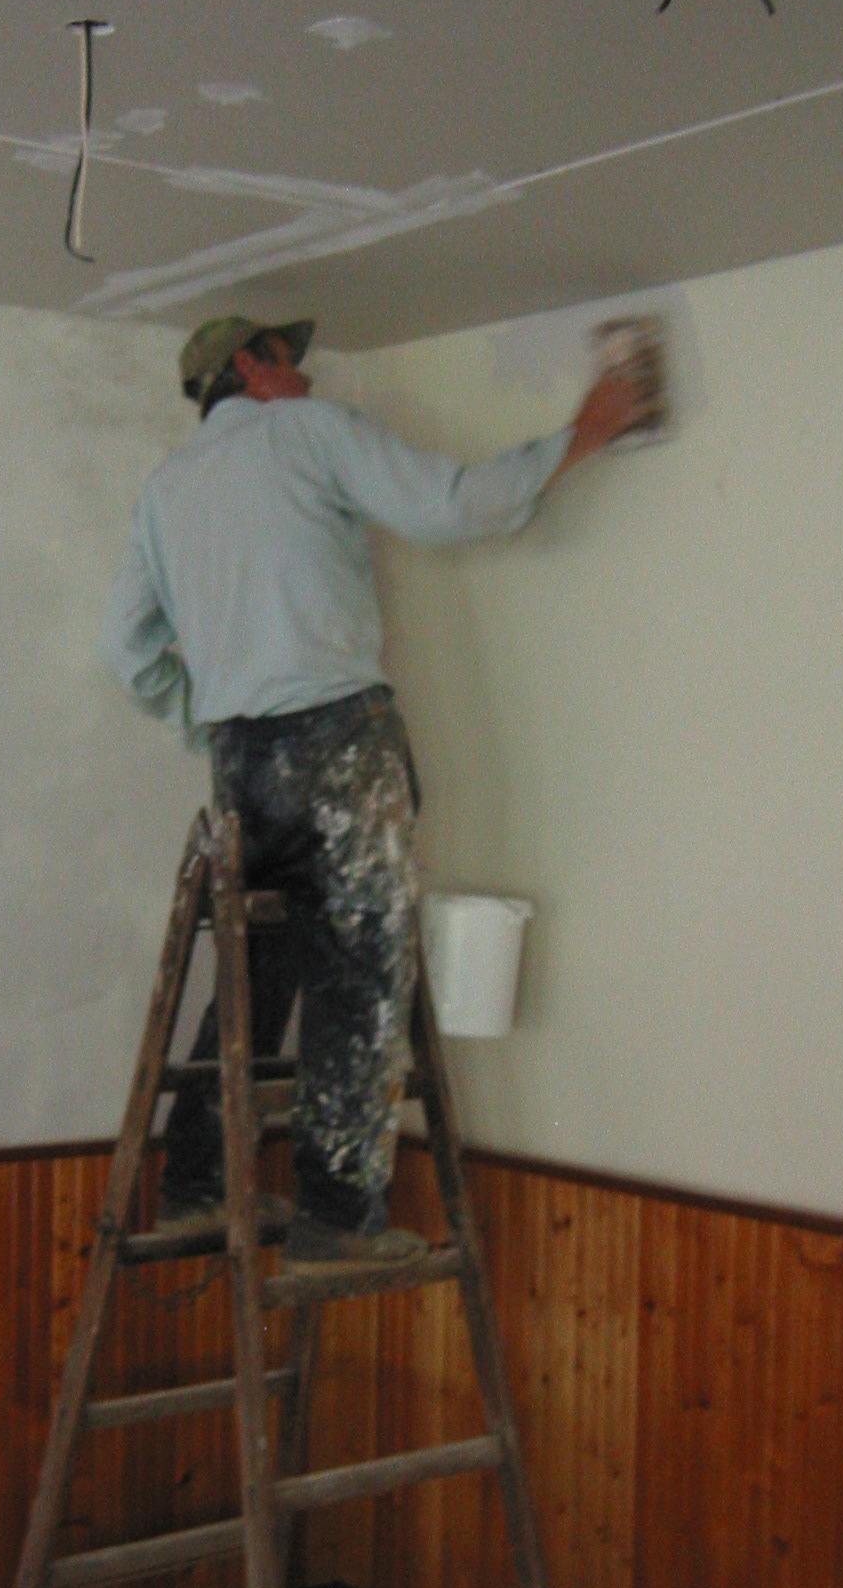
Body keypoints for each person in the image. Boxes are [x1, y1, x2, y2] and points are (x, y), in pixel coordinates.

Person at [100, 312, 659, 1270]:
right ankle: (335, 1218)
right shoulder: (306, 433)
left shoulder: (167, 489)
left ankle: (194, 1184)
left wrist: (212, 718)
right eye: (291, 361)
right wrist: (583, 434)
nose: (308, 377)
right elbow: (451, 505)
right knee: (359, 972)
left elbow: (128, 650)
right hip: (337, 744)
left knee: (253, 974)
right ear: (251, 367)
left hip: (239, 763)